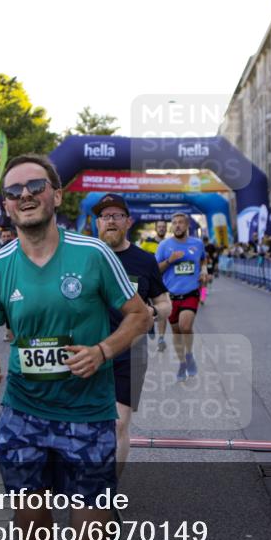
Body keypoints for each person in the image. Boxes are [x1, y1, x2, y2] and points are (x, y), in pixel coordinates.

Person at [0, 154, 150, 540]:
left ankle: (99, 513)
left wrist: (104, 351)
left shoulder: (92, 254)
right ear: (6, 207)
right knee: (33, 536)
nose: (24, 194)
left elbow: (140, 315)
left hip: (87, 415)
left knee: (92, 539)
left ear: (55, 195)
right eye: (14, 191)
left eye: (35, 186)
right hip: (23, 415)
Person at [93, 193, 170, 475]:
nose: (110, 221)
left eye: (117, 216)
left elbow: (165, 303)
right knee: (86, 423)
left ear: (128, 221)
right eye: (104, 216)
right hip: (87, 350)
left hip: (131, 352)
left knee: (118, 424)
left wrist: (152, 313)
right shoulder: (84, 256)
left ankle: (108, 492)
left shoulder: (144, 261)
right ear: (97, 223)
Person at [156, 212, 208, 381]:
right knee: (177, 332)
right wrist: (169, 261)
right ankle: (183, 363)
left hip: (191, 293)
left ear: (187, 226)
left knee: (185, 326)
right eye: (175, 222)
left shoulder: (197, 244)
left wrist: (205, 271)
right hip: (171, 296)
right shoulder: (164, 246)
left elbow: (203, 260)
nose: (177, 225)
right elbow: (156, 270)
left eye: (180, 222)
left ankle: (190, 354)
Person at [151, 219, 170, 350]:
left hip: (164, 282)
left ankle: (161, 338)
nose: (162, 229)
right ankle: (149, 324)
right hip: (149, 280)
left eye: (164, 227)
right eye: (160, 227)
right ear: (156, 228)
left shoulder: (170, 244)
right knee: (147, 310)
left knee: (162, 311)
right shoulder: (147, 243)